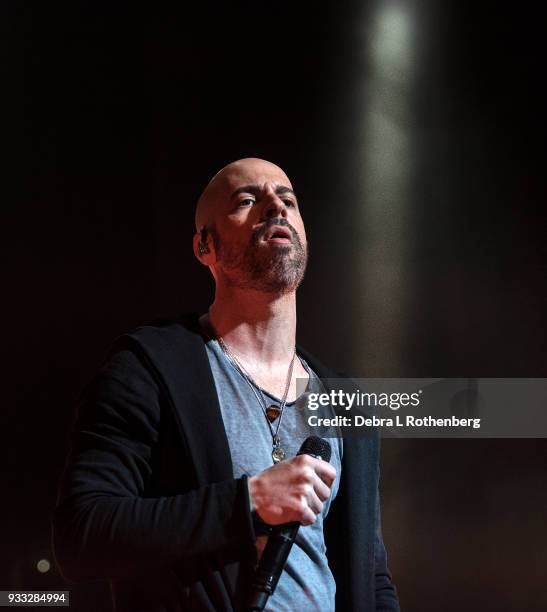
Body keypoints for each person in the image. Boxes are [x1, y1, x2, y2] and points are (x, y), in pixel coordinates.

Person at [52, 158, 400, 611]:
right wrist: (248, 501)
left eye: (287, 199)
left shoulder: (347, 403)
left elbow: (371, 576)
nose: (275, 206)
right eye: (247, 200)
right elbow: (83, 536)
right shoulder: (151, 367)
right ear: (204, 246)